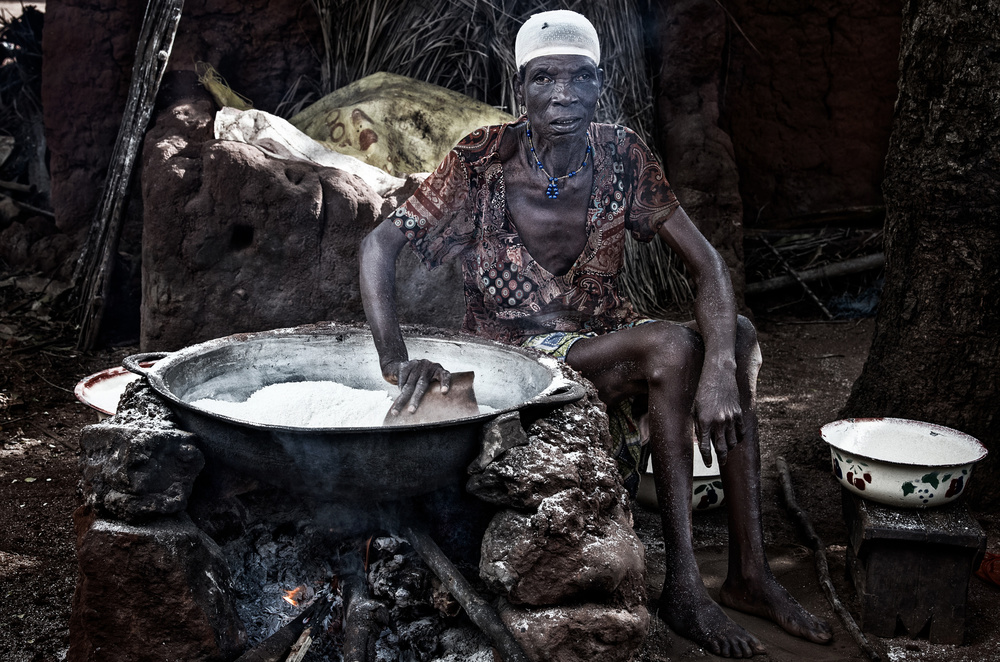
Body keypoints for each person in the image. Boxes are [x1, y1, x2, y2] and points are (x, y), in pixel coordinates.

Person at [360, 9, 833, 658]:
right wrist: (394, 361)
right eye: (545, 79)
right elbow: (378, 248)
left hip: (605, 339)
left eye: (580, 78)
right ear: (520, 86)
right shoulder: (478, 162)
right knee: (670, 345)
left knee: (738, 335)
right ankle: (686, 590)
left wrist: (722, 366)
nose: (564, 95)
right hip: (515, 359)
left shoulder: (622, 154)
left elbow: (709, 265)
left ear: (601, 85)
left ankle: (750, 573)